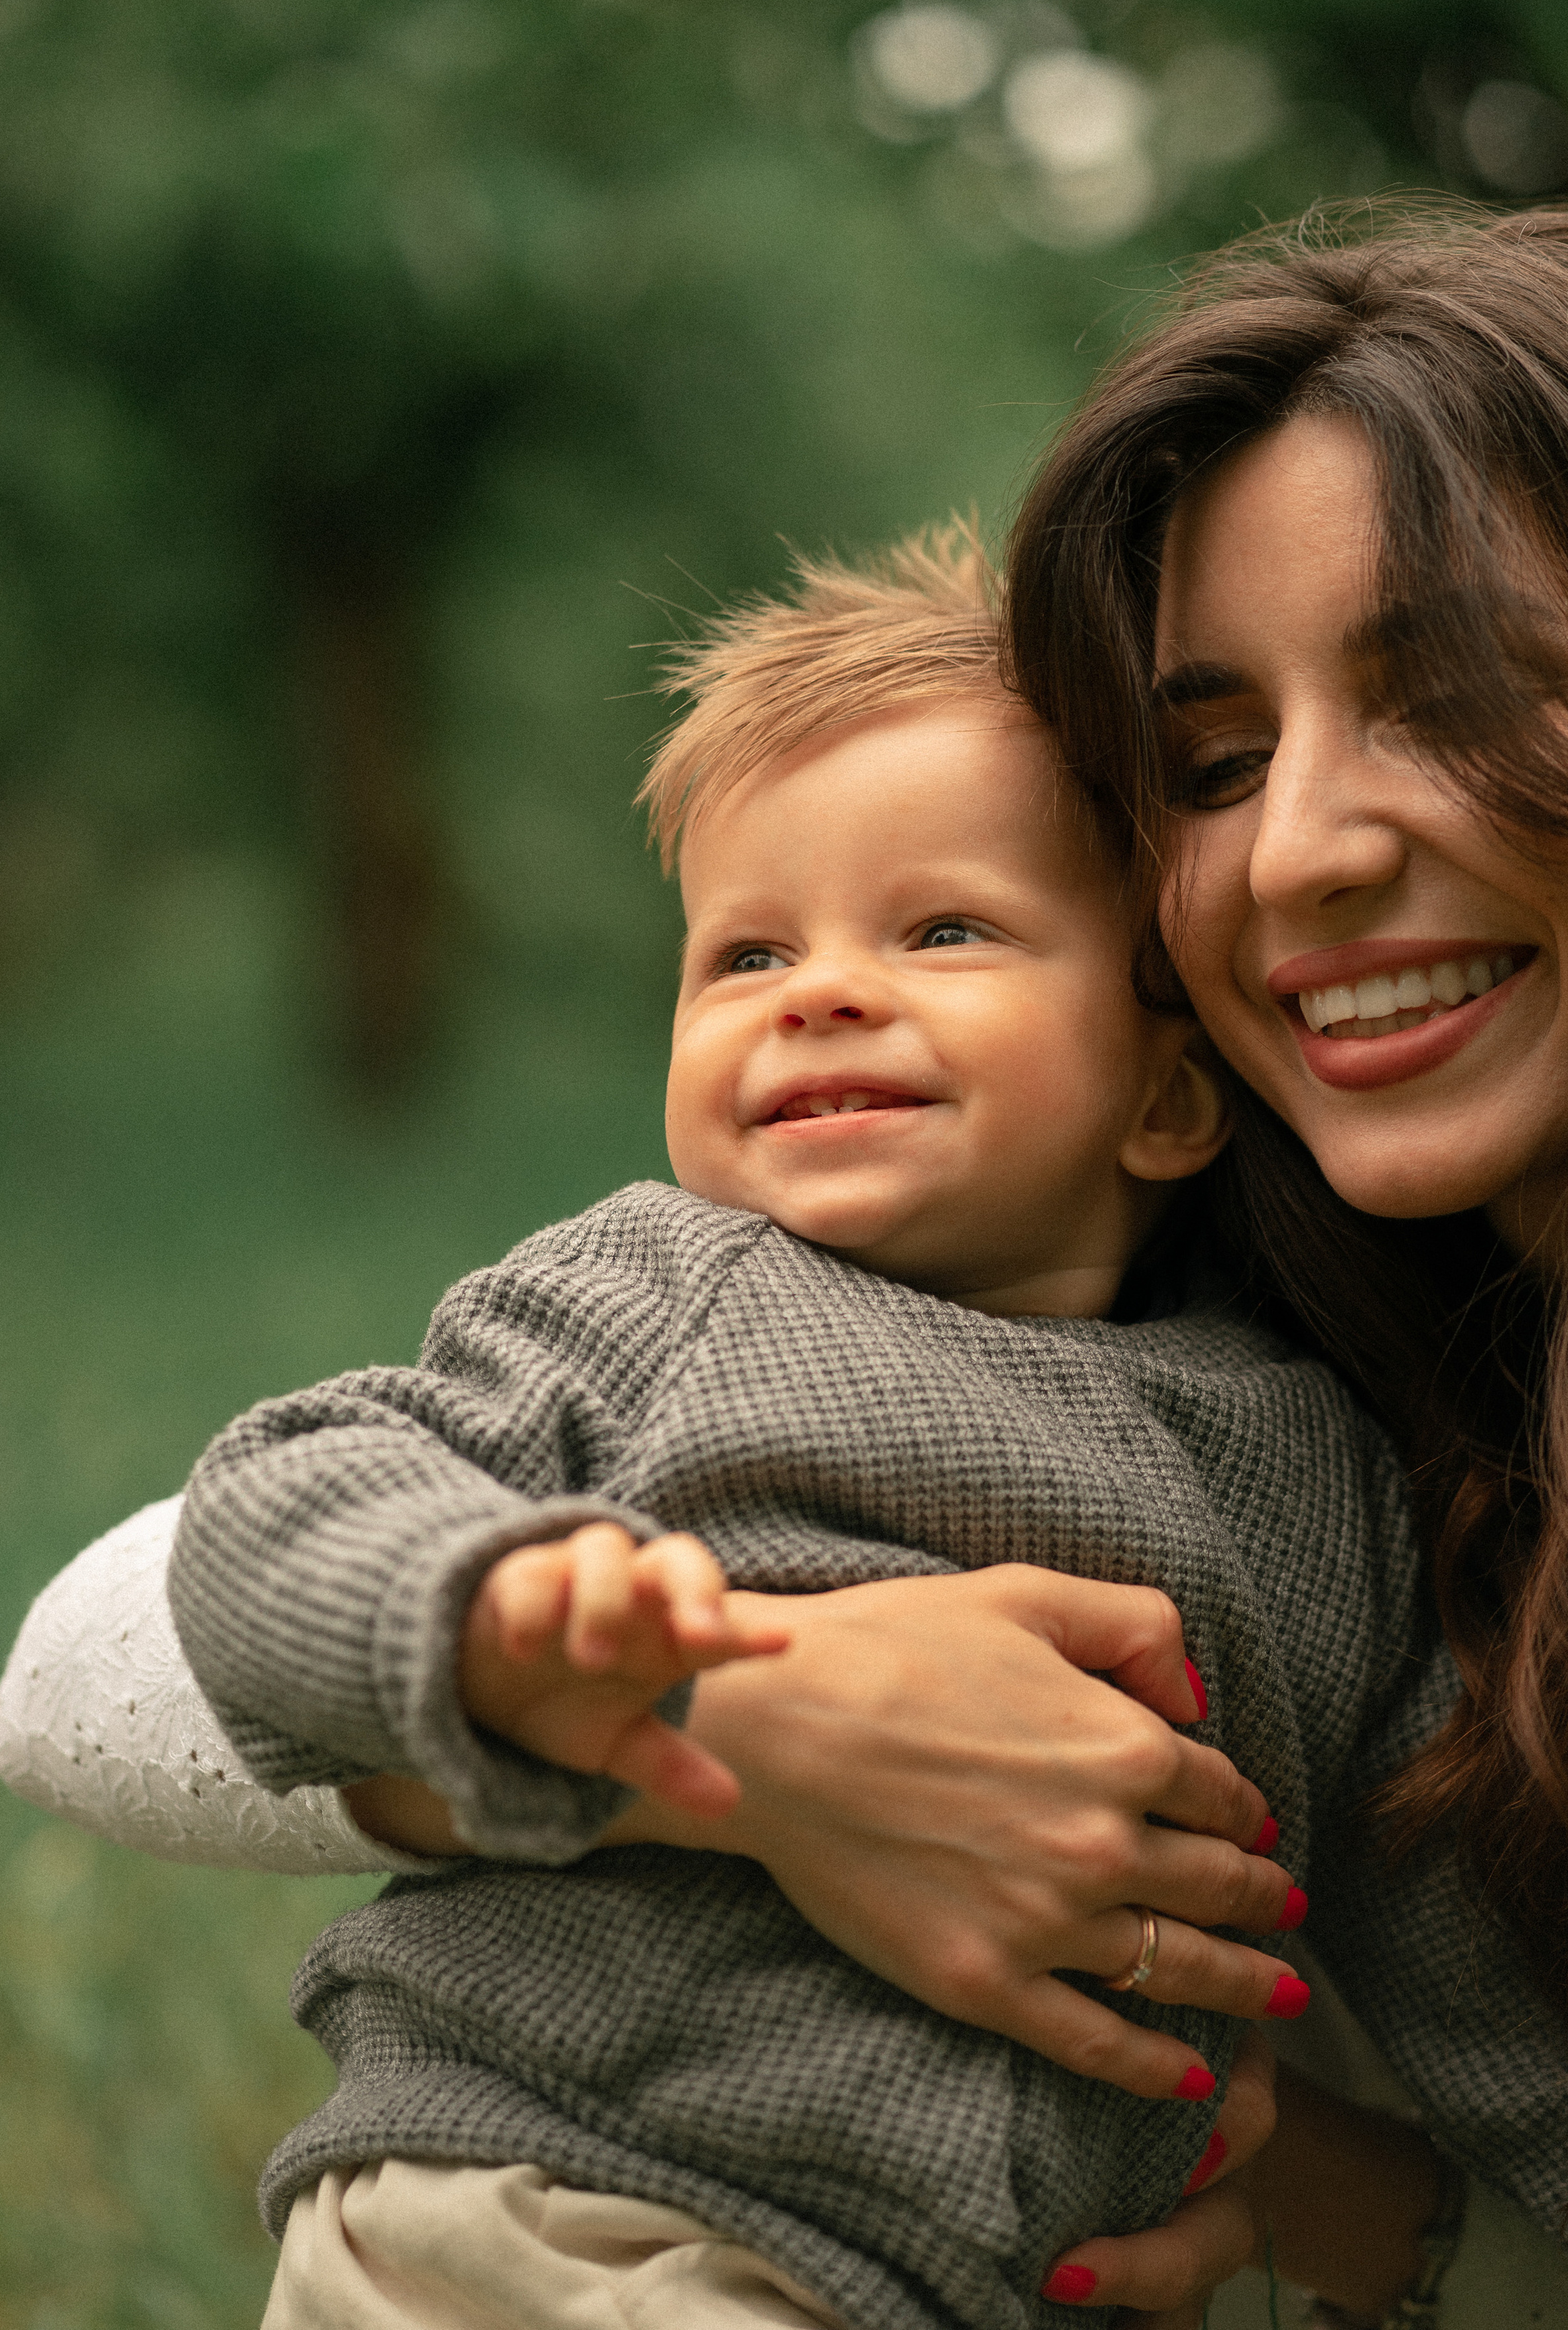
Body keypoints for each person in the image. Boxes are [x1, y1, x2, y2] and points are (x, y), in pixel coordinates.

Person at [156, 528, 1406, 2330]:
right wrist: (496, 1618)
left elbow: (1461, 1937)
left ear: (1167, 1092)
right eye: (743, 953)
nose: (817, 989)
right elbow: (269, 1505)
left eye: (944, 928)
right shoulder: (658, 1289)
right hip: (542, 2212)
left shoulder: (1310, 1464)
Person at [998, 197, 1568, 2323]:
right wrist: (753, 1725)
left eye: (1451, 700)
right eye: (1214, 764)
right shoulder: (1213, 1321)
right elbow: (142, 1643)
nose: (1297, 851)